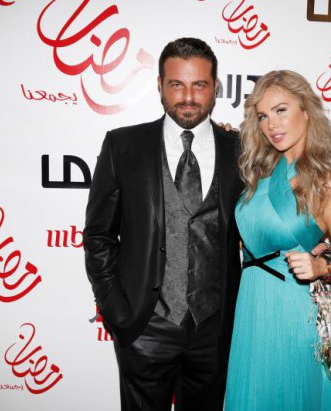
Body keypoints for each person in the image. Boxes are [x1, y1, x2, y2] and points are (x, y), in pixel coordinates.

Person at [83, 38, 244, 411]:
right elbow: (99, 235)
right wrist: (118, 312)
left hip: (215, 330)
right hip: (145, 327)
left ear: (215, 87)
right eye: (176, 84)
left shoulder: (240, 149)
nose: (188, 97)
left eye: (199, 85)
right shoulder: (123, 145)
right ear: (159, 85)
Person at [224, 70, 331, 410]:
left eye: (281, 110)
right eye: (263, 116)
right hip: (250, 306)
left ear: (306, 110)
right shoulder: (260, 172)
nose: (271, 124)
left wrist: (320, 265)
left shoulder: (329, 180)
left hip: (295, 310)